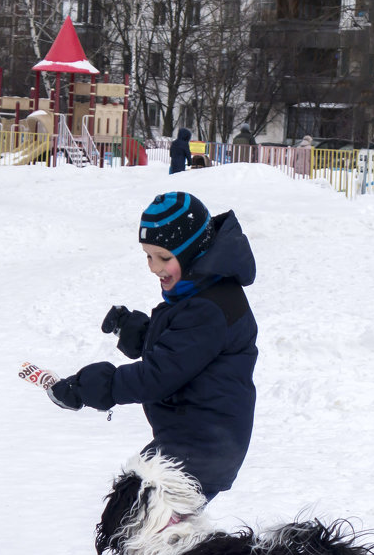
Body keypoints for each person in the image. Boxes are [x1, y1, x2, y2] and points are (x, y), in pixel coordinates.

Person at [47, 192, 257, 502]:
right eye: (148, 255)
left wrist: (89, 387)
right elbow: (184, 350)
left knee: (137, 523)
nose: (153, 266)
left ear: (191, 253)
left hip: (203, 447)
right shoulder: (203, 290)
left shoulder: (209, 306)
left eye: (164, 257)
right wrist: (137, 331)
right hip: (193, 438)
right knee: (139, 525)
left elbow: (160, 374)